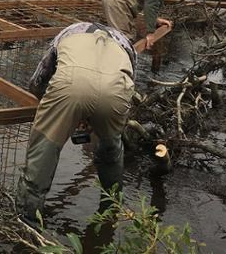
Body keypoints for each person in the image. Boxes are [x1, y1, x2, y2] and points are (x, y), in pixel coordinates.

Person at [16, 22, 137, 223]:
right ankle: (111, 212)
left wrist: (49, 107)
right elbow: (130, 82)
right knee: (112, 149)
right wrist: (92, 116)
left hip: (70, 84)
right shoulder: (126, 45)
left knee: (44, 150)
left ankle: (27, 220)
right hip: (116, 91)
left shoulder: (67, 33)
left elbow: (38, 80)